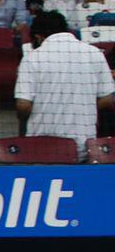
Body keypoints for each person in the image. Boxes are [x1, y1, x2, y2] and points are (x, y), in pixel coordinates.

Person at [16, 11, 114, 160]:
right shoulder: (94, 53)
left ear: (38, 37)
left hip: (42, 148)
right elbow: (107, 100)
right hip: (84, 148)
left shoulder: (32, 58)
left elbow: (23, 106)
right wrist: (84, 107)